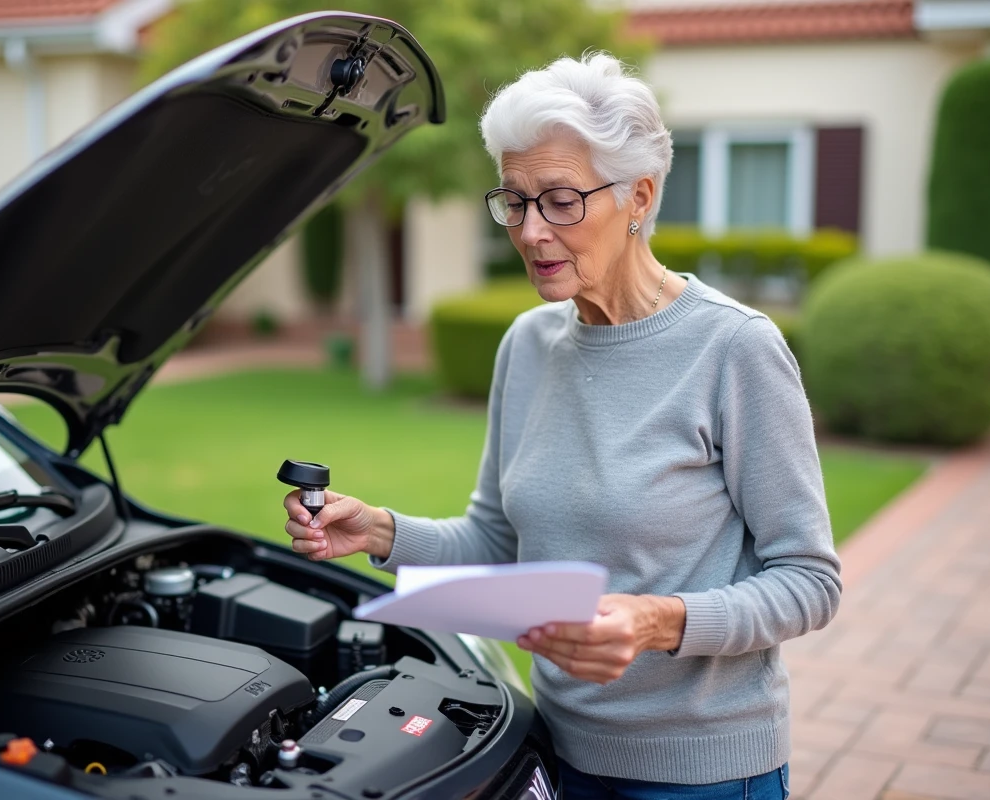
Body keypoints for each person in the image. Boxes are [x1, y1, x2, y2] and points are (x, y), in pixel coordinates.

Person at [284, 53, 841, 799]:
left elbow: (808, 582)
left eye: (560, 201)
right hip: (549, 753)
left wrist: (656, 621)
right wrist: (382, 531)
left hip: (702, 774)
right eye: (514, 202)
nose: (531, 231)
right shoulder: (527, 344)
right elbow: (498, 540)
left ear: (638, 196)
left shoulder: (733, 348)